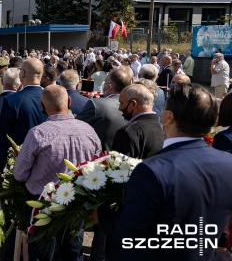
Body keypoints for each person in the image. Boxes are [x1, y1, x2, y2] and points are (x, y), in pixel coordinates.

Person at [97, 83, 232, 261]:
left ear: (168, 117)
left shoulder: (151, 170)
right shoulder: (227, 163)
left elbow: (128, 230)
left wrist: (100, 213)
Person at [13, 85, 101, 261]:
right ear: (69, 101)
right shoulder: (89, 131)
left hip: (43, 206)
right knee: (72, 253)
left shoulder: (37, 133)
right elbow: (97, 168)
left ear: (42, 107)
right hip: (75, 205)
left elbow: (19, 174)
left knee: (42, 255)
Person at [77, 68, 132, 152]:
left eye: (105, 83)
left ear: (109, 87)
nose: (103, 85)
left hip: (98, 157)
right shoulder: (132, 107)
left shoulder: (96, 104)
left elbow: (77, 126)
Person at [0, 58, 48, 146]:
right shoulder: (52, 98)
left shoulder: (12, 100)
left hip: (21, 154)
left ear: (22, 74)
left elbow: (5, 136)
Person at [112, 84, 165, 159]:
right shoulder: (165, 128)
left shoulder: (127, 132)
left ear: (133, 104)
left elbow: (118, 168)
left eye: (121, 103)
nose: (119, 108)